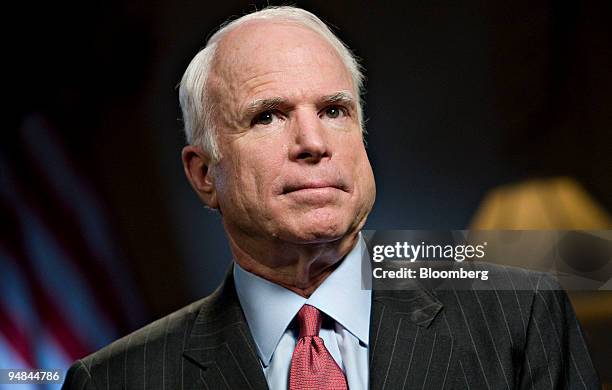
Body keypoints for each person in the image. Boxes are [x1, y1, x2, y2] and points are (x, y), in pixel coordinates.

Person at [62, 6, 600, 389]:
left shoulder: (520, 318)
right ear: (204, 173)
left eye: (335, 111)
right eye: (268, 116)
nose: (313, 143)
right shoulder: (115, 380)